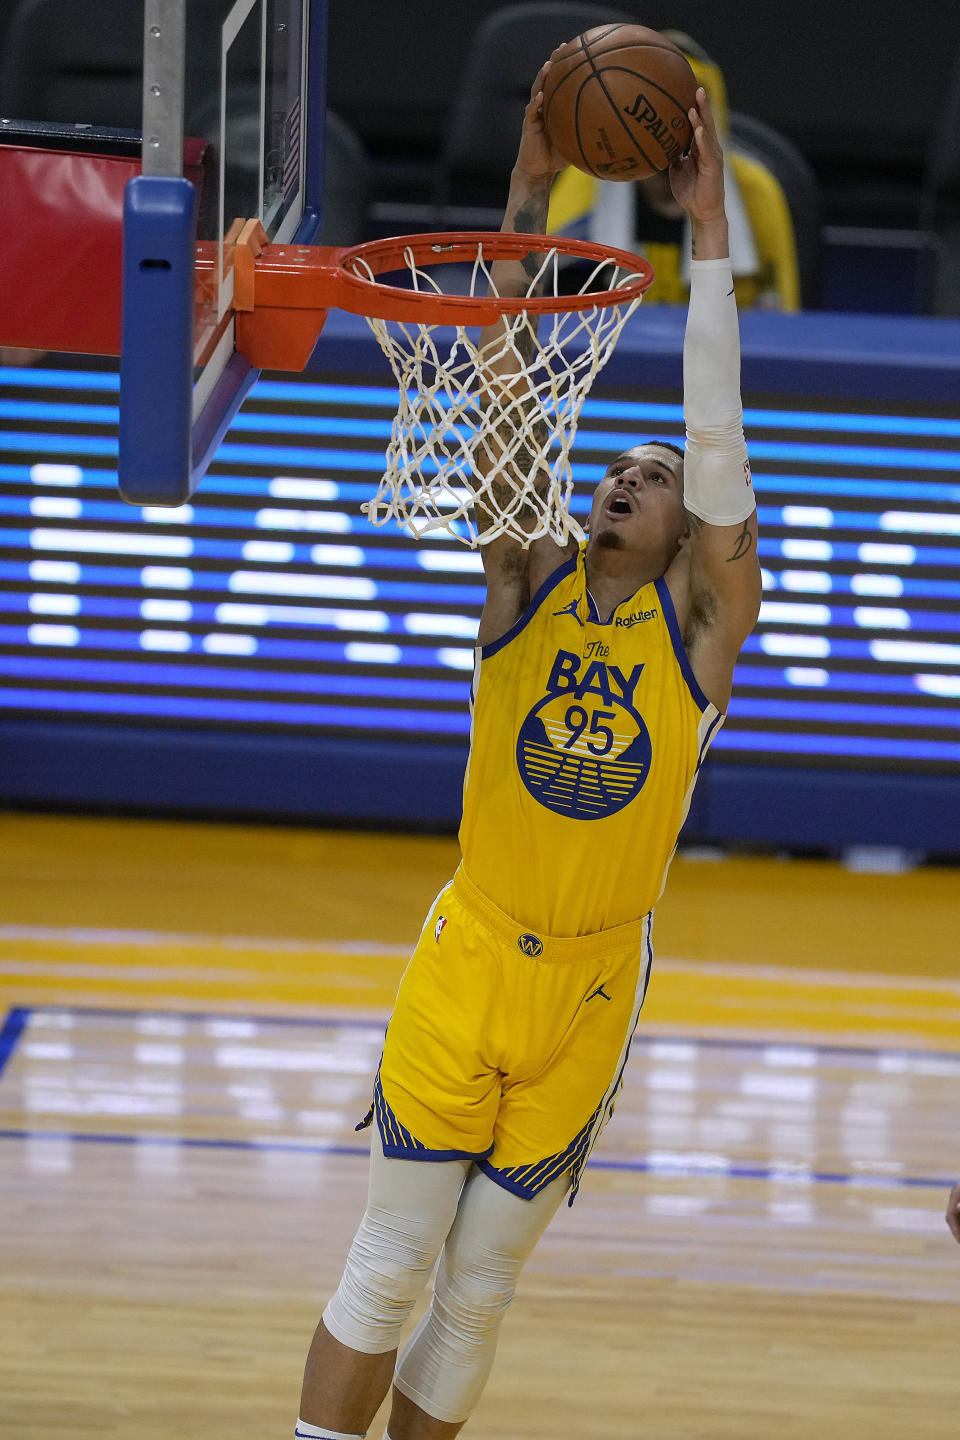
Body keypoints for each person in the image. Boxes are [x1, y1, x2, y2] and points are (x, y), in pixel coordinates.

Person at [295, 65, 761, 1440]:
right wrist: (522, 199)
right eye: (615, 463)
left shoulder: (706, 634)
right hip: (472, 952)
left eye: (657, 473)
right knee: (386, 1269)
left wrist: (713, 228)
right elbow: (509, 415)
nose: (628, 473)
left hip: (595, 989)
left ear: (689, 536)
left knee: (480, 1286)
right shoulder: (526, 578)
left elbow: (728, 456)